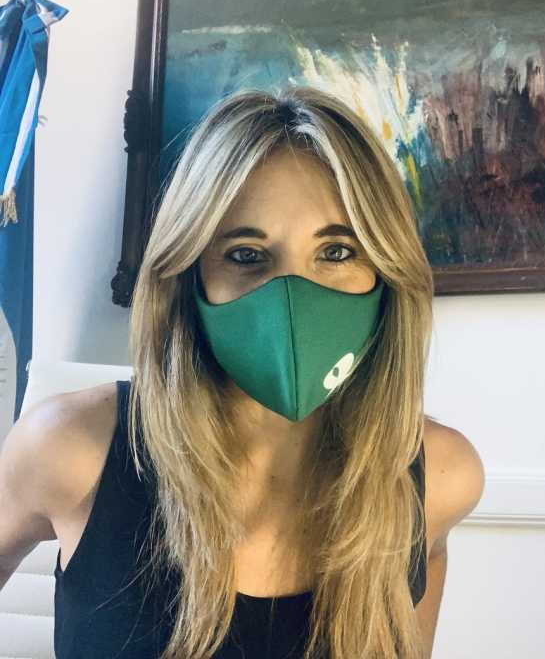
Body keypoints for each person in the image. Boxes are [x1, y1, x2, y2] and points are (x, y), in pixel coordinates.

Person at [0, 85, 485, 659]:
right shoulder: (68, 448)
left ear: (386, 270)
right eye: (246, 255)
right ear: (190, 275)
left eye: (336, 252)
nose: (291, 298)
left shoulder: (442, 475)